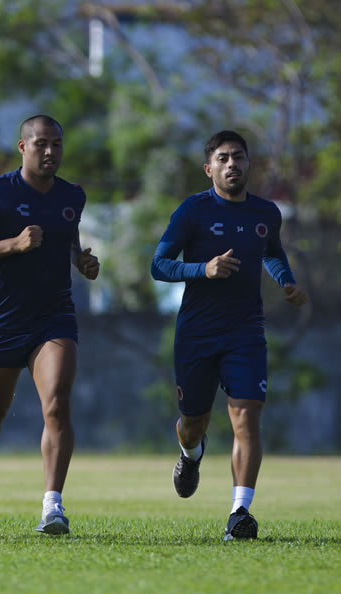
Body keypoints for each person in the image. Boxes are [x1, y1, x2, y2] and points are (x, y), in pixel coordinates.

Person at [151, 130, 307, 541]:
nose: (232, 164)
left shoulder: (265, 213)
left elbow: (271, 250)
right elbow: (159, 265)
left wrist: (286, 281)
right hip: (197, 333)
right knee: (193, 423)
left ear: (248, 163)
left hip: (246, 331)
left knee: (246, 418)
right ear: (209, 169)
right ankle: (190, 453)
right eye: (222, 158)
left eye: (238, 157)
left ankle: (240, 512)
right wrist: (202, 269)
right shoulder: (192, 211)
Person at [0, 115, 99, 535]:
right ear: (23, 147)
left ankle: (52, 507)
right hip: (2, 319)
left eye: (57, 144)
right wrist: (14, 245)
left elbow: (67, 239)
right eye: (41, 144)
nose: (50, 151)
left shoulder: (73, 196)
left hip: (53, 315)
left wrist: (81, 260)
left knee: (56, 402)